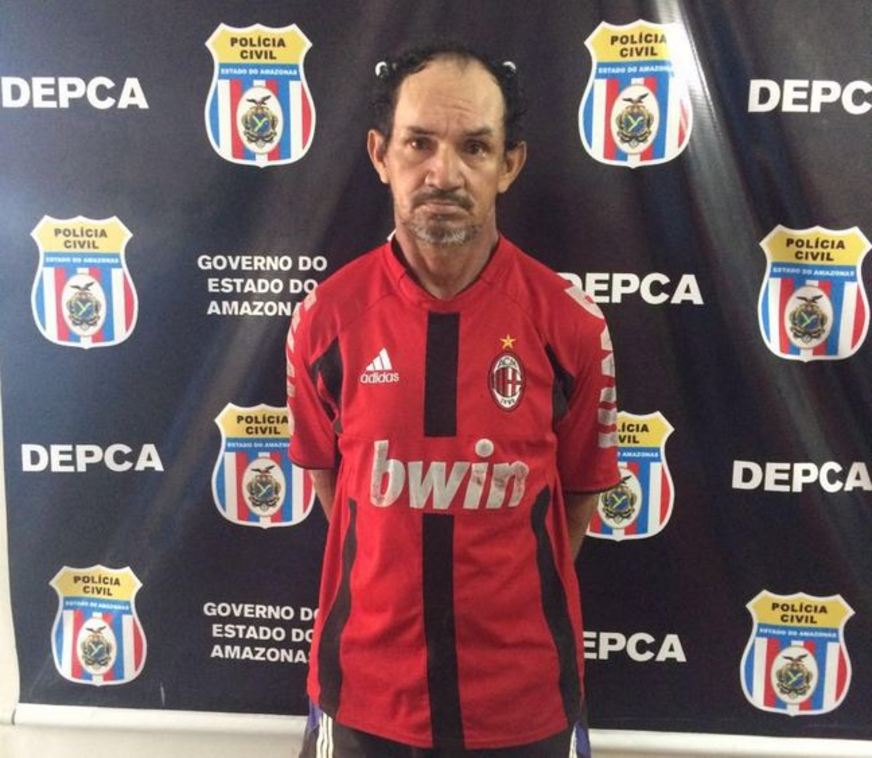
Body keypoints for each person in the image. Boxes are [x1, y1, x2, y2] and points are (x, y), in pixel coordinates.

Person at [286, 43, 620, 758]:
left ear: (510, 164)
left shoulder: (571, 324)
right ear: (380, 155)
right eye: (419, 143)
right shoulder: (325, 319)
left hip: (522, 699)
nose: (444, 173)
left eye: (474, 147)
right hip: (366, 693)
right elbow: (333, 488)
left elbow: (577, 501)